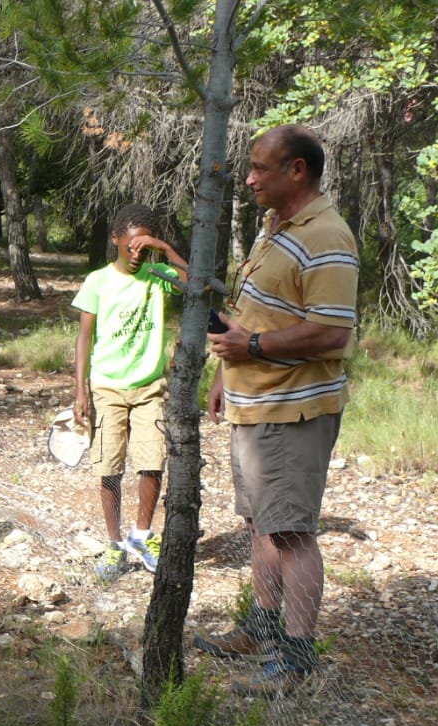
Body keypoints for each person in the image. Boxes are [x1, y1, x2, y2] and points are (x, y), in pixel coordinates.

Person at [200, 124, 359, 696]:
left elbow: (332, 332)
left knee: (290, 532)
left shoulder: (327, 236)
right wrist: (225, 372)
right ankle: (260, 629)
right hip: (254, 407)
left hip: (293, 412)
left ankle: (295, 660)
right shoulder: (275, 228)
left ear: (297, 170)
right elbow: (256, 313)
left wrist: (253, 348)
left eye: (260, 168)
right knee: (261, 525)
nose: (249, 179)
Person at [71, 203, 189, 579]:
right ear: (115, 240)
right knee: (109, 467)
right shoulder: (97, 282)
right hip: (107, 387)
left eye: (144, 247)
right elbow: (84, 338)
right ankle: (114, 544)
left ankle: (141, 534)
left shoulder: (158, 275)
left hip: (149, 387)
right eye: (130, 246)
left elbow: (194, 283)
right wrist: (80, 391)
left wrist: (163, 249)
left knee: (152, 461)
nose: (136, 255)